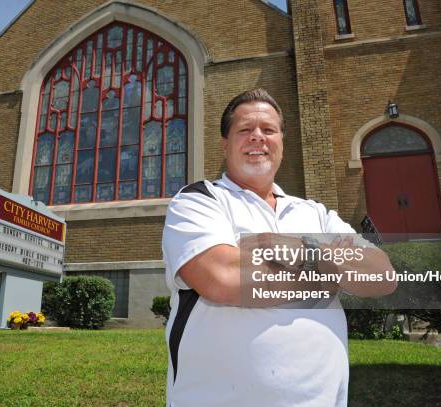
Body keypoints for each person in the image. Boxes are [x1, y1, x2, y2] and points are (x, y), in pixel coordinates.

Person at [161, 88, 396, 406]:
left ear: (281, 145)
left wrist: (301, 248)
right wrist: (333, 267)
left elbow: (382, 276)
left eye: (268, 130)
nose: (257, 137)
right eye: (244, 130)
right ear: (225, 145)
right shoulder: (200, 200)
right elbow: (225, 279)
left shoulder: (315, 212)